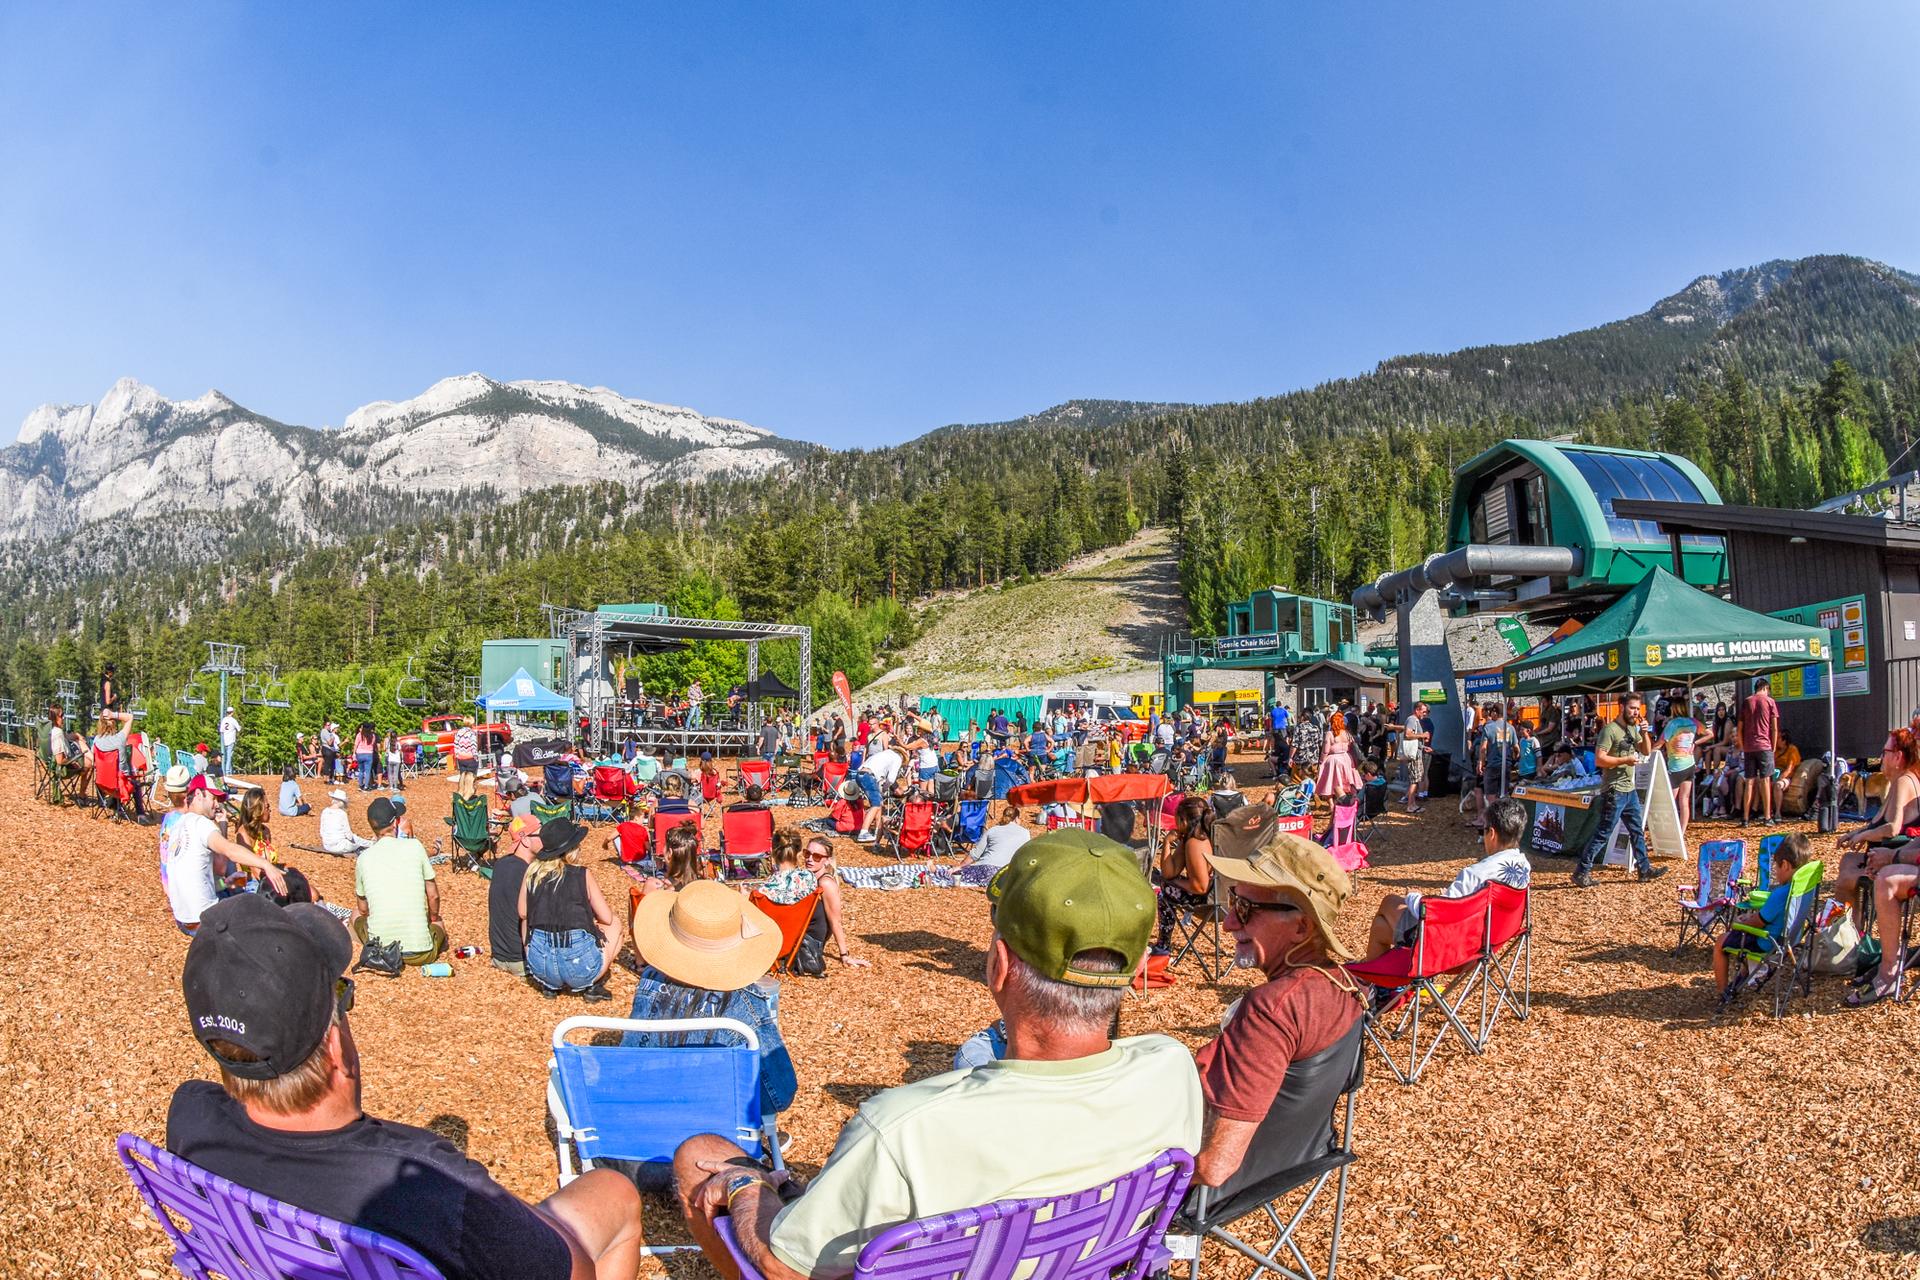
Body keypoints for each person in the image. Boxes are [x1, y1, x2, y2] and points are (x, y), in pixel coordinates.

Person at [671, 829, 1203, 1279]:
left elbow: (784, 1265)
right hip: (1079, 1262)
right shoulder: (1171, 1068)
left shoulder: (904, 1130)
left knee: (701, 1155)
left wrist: (746, 1187)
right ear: (1136, 973)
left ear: (998, 966)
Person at [168, 893, 643, 1279]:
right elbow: (571, 1272)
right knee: (614, 1192)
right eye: (341, 993)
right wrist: (506, 1210)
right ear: (335, 1048)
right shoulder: (426, 1185)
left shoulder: (192, 1117)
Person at [1189, 814, 1367, 1189]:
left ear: (1302, 927)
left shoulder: (1271, 1008)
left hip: (1222, 1191)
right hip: (1300, 1161)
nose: (1228, 924)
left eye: (1244, 909)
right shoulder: (1348, 988)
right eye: (1232, 902)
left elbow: (1213, 1167)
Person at [622, 881, 798, 1187]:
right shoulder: (744, 1007)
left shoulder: (648, 983)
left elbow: (630, 1064)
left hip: (637, 1156)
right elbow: (779, 1095)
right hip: (710, 1163)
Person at [1365, 798, 1531, 959]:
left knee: (1390, 901)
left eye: (1483, 830)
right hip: (1486, 944)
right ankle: (1376, 983)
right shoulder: (1524, 866)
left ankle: (1371, 982)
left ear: (1492, 834)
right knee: (1381, 928)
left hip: (1450, 949)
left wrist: (1414, 896)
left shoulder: (1475, 874)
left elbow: (1436, 915)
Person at [164, 776, 288, 934]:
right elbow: (228, 853)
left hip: (183, 919)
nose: (217, 805)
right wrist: (266, 865)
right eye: (213, 798)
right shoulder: (200, 823)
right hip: (205, 919)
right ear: (198, 795)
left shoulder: (178, 825)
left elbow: (195, 875)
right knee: (265, 918)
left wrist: (226, 884)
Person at [1572, 694, 1667, 889]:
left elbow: (1646, 751)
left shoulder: (1633, 728)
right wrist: (1625, 760)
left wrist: (1646, 732)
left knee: (1636, 831)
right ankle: (1582, 871)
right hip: (1614, 790)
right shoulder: (1610, 731)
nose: (1635, 712)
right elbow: (1600, 759)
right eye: (1632, 708)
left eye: (1638, 708)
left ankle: (1644, 869)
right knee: (1604, 832)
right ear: (1621, 706)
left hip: (1629, 789)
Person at [519, 818, 620, 1000]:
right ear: (572, 848)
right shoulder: (581, 874)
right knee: (616, 925)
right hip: (581, 967)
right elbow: (607, 918)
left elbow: (522, 912)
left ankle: (550, 986)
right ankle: (592, 986)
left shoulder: (532, 872)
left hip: (540, 966)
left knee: (526, 921)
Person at [1833, 727, 1920, 918]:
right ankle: (1851, 930)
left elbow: (1893, 827)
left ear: (1898, 757)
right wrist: (1856, 833)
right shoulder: (1898, 781)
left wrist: (1864, 835)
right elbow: (1878, 822)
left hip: (1889, 858)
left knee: (1845, 879)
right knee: (1847, 860)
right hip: (1881, 854)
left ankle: (1848, 934)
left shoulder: (1904, 782)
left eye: (1884, 752)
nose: (1881, 757)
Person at [352, 796, 446, 964]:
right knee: (438, 923)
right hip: (420, 953)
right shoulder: (415, 847)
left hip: (380, 951)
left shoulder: (363, 859)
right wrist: (433, 917)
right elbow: (433, 896)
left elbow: (363, 909)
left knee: (355, 915)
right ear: (395, 823)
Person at [1716, 835, 1809, 997]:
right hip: (1791, 938)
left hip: (1768, 942)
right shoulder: (1804, 885)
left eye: (1776, 867)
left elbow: (1759, 922)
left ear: (1785, 865)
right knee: (1743, 942)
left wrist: (1742, 921)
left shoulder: (1780, 894)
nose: (1775, 871)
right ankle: (1743, 980)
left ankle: (1723, 992)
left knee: (1721, 942)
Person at [1153, 796, 1216, 954]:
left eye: (1177, 820)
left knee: (1165, 893)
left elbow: (1200, 886)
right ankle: (1163, 944)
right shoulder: (1192, 838)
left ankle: (1163, 945)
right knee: (1166, 885)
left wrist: (1176, 883)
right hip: (1220, 897)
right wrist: (1167, 842)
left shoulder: (1195, 843)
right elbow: (1169, 872)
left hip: (1207, 900)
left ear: (1184, 821)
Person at [489, 817, 540, 977]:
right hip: (521, 960)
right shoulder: (527, 873)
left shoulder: (501, 864)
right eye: (540, 835)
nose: (545, 839)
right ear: (525, 840)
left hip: (499, 956)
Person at [1740, 677, 1781, 827]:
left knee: (1749, 782)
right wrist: (1773, 746)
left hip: (1749, 746)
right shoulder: (1770, 702)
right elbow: (1774, 727)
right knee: (1765, 781)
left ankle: (1745, 818)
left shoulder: (1747, 701)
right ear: (1765, 688)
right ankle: (1767, 817)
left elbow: (1740, 726)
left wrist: (1743, 744)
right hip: (1764, 746)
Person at [853, 740, 903, 843]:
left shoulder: (882, 754)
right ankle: (863, 832)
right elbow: (891, 779)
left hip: (861, 774)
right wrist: (885, 788)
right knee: (876, 804)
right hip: (868, 776)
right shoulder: (897, 758)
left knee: (879, 803)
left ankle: (877, 830)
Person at [967, 802, 1032, 871]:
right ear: (1016, 819)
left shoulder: (992, 830)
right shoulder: (1025, 833)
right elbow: (1026, 855)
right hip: (1004, 872)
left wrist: (959, 867)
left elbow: (975, 854)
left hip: (983, 867)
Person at [1315, 712, 1361, 801]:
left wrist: (1321, 763)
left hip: (1334, 760)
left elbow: (1325, 751)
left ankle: (1332, 805)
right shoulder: (1347, 733)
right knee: (1346, 782)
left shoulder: (1330, 734)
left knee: (1331, 783)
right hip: (1347, 758)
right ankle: (1347, 801)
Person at [1399, 701, 1432, 813]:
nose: (1425, 714)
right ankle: (1410, 805)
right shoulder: (1412, 720)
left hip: (1417, 753)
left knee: (1416, 780)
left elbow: (1414, 739)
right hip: (1414, 756)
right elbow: (1408, 734)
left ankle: (1412, 804)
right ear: (1417, 710)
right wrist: (1422, 735)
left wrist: (1423, 747)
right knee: (1414, 780)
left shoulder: (1416, 720)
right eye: (1423, 711)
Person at [319, 788, 371, 855]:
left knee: (356, 841)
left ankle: (368, 843)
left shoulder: (325, 811)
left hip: (326, 845)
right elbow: (349, 835)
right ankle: (370, 844)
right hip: (340, 846)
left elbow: (321, 831)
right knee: (358, 844)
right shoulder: (341, 813)